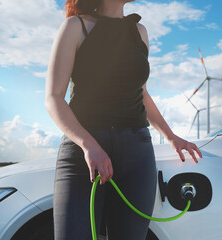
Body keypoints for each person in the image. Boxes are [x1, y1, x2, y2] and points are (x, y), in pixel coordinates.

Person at [45, 0, 203, 239]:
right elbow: (53, 98)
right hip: (83, 155)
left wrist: (171, 137)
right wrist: (89, 145)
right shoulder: (75, 26)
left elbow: (141, 93)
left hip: (136, 154)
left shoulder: (139, 32)